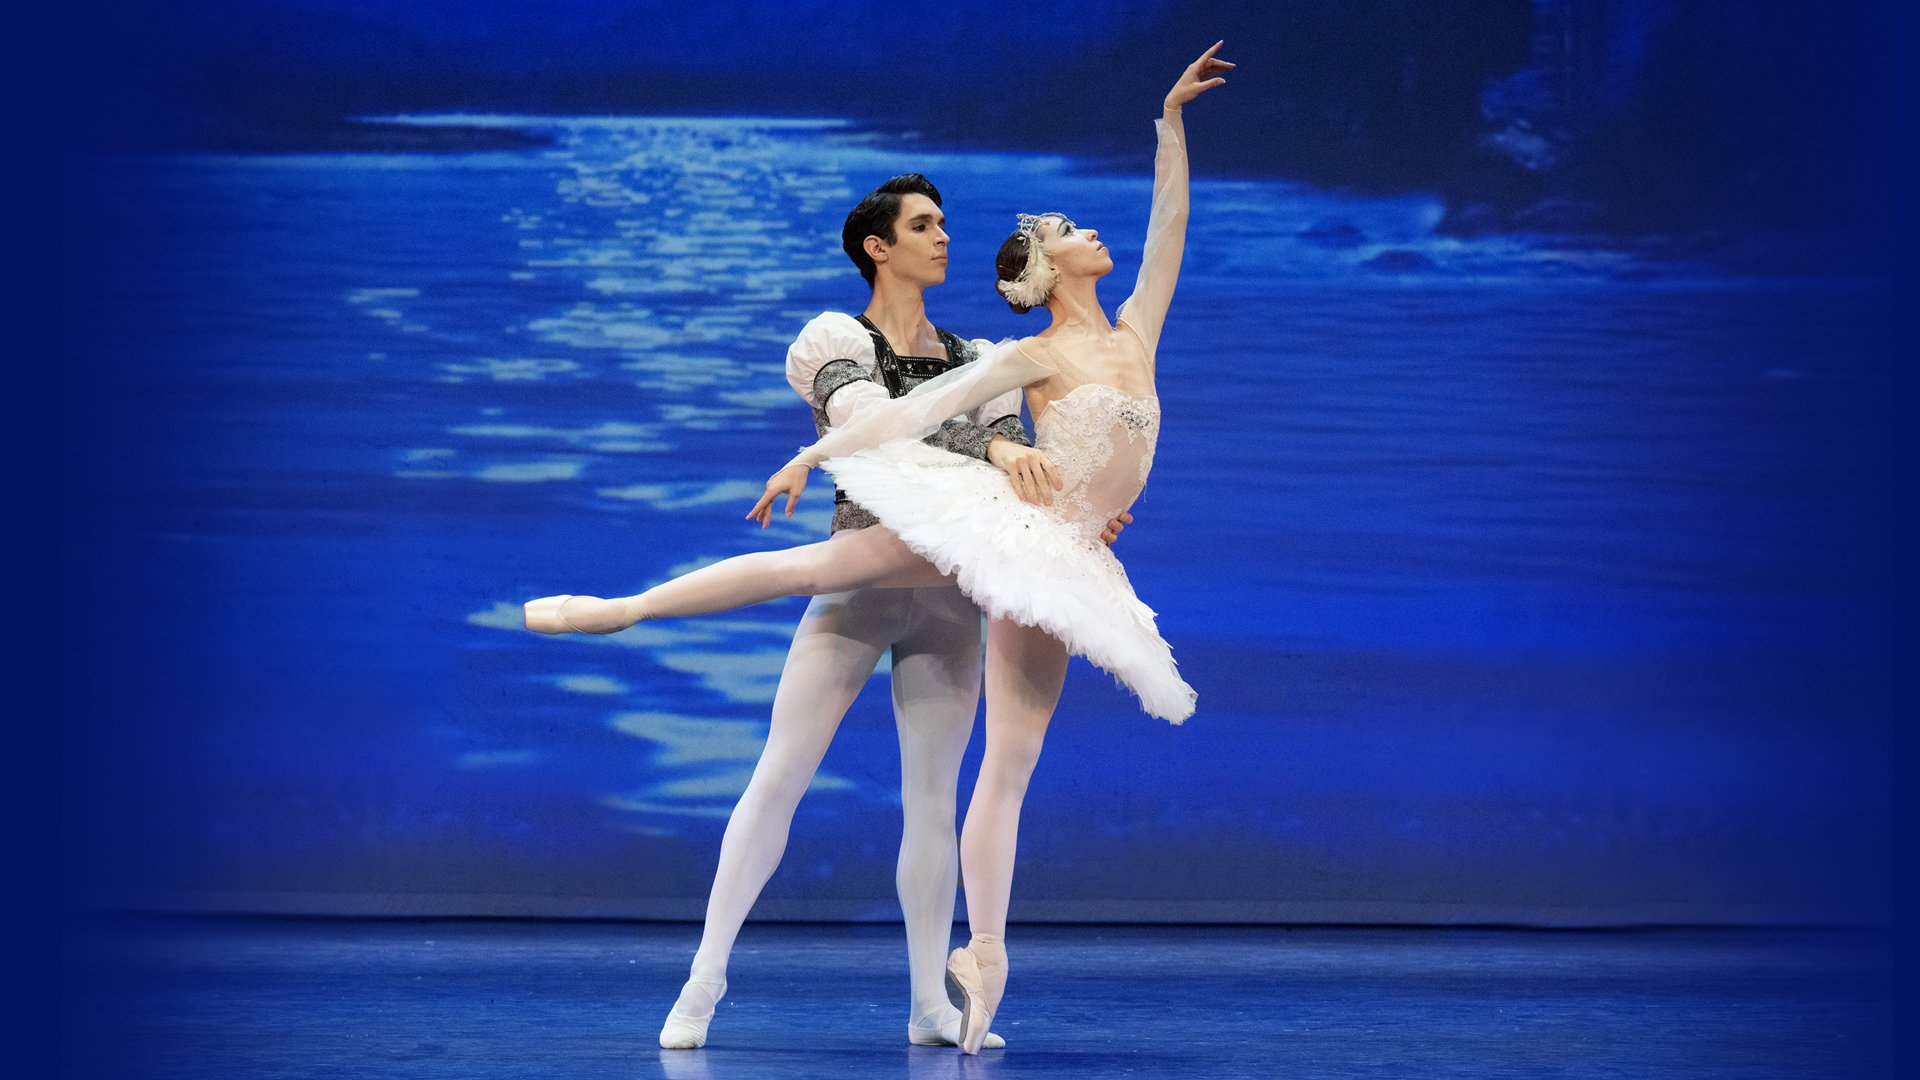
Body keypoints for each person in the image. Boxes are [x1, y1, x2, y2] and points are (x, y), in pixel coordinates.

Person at [528, 42, 1230, 1053]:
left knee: (941, 801)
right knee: (783, 753)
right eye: (923, 226)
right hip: (886, 560)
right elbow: (886, 416)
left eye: (946, 224)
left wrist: (1076, 500)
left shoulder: (993, 353)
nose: (943, 237)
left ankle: (935, 997)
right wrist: (811, 456)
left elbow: (1041, 423)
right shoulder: (848, 339)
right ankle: (703, 975)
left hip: (960, 583)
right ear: (877, 249)